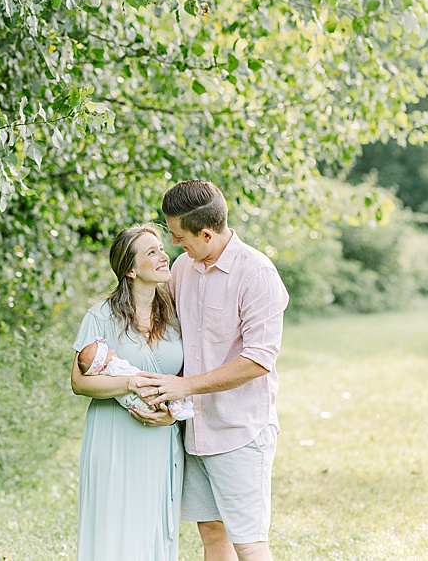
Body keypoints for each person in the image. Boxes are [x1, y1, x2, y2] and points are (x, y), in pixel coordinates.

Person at [134, 180, 289, 561]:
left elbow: (258, 359)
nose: (174, 244)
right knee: (212, 534)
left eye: (179, 236)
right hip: (195, 431)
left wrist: (183, 388)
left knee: (249, 544)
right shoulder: (183, 268)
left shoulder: (257, 274)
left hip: (240, 430)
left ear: (206, 233)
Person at [70, 223, 184, 561]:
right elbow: (79, 382)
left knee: (151, 531)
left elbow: (183, 376)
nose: (164, 256)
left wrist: (171, 414)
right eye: (152, 252)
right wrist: (130, 383)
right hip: (114, 438)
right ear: (131, 269)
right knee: (113, 529)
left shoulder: (176, 314)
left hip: (161, 437)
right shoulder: (100, 316)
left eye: (162, 248)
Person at [76, 336, 194, 421]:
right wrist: (134, 381)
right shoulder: (113, 367)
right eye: (109, 352)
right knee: (161, 391)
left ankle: (176, 409)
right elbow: (130, 373)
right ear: (103, 362)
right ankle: (177, 409)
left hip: (136, 404)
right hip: (140, 387)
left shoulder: (104, 374)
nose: (113, 351)